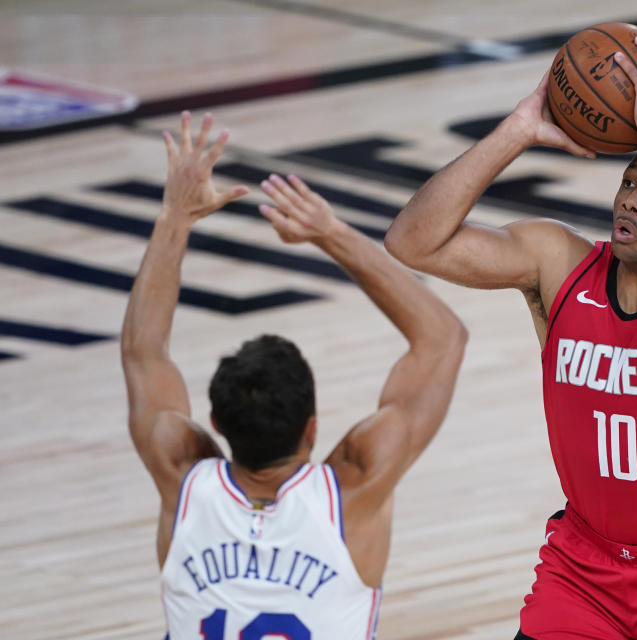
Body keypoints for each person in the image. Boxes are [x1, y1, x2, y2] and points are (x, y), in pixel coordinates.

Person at [385, 36, 637, 640]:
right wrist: (516, 130)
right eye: (628, 182)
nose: (634, 201)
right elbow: (413, 242)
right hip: (583, 570)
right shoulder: (559, 264)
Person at [121, 111, 467, 639]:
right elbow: (442, 338)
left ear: (215, 421)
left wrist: (175, 216)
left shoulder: (182, 472)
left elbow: (144, 353)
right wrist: (329, 233)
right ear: (313, 426)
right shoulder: (355, 487)